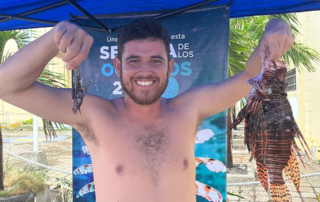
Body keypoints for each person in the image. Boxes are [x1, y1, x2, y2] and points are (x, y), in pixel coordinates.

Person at [0, 18, 293, 202]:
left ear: (170, 67)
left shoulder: (189, 109)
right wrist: (56, 37)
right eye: (134, 61)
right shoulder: (93, 114)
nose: (145, 71)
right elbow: (6, 86)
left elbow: (251, 77)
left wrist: (275, 28)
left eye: (155, 60)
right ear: (117, 67)